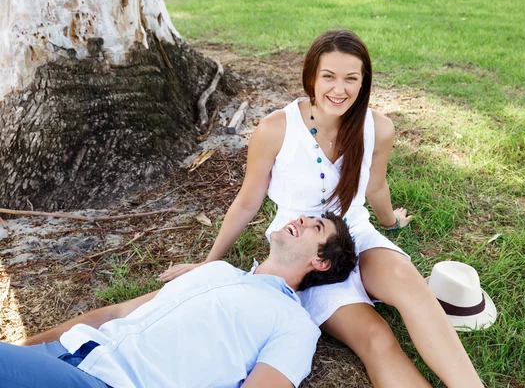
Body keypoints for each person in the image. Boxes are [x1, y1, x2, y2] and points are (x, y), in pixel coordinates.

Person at [159, 29, 483, 387]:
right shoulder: (276, 129)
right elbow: (248, 201)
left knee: (412, 287)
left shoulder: (378, 128)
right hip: (305, 251)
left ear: (364, 83)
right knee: (375, 339)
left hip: (355, 229)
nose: (338, 89)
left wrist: (390, 223)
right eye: (328, 76)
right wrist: (207, 266)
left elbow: (375, 185)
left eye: (351, 78)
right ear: (311, 76)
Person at [0, 213, 356, 388]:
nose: (302, 220)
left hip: (114, 382)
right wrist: (28, 347)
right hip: (66, 354)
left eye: (316, 227)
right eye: (308, 217)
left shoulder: (295, 325)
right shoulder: (216, 270)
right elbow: (117, 312)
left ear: (321, 262)